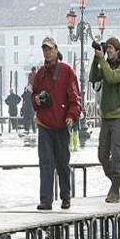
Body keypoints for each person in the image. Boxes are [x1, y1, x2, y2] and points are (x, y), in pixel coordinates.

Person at [32, 36, 81, 210]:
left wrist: (72, 115)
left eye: (50, 49)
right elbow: (33, 95)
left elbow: (75, 97)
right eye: (45, 49)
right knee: (45, 162)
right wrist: (36, 99)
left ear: (56, 50)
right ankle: (46, 200)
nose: (47, 52)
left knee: (62, 162)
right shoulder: (40, 74)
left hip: (61, 125)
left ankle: (65, 196)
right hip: (44, 124)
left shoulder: (67, 71)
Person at [90, 37, 120, 203]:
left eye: (112, 48)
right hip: (106, 116)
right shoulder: (105, 64)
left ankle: (115, 189)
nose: (109, 51)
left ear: (118, 50)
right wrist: (96, 59)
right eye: (108, 48)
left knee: (117, 153)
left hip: (119, 116)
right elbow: (94, 77)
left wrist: (102, 60)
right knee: (102, 154)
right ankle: (115, 179)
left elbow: (112, 77)